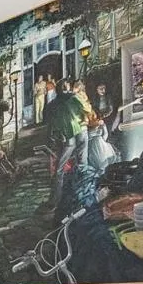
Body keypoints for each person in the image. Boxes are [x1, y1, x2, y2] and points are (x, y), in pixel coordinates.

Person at [44, 79, 87, 210]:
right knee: (81, 164)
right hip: (79, 132)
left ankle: (56, 200)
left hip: (68, 137)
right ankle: (81, 195)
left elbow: (48, 121)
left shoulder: (53, 104)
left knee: (60, 169)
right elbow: (85, 111)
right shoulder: (73, 98)